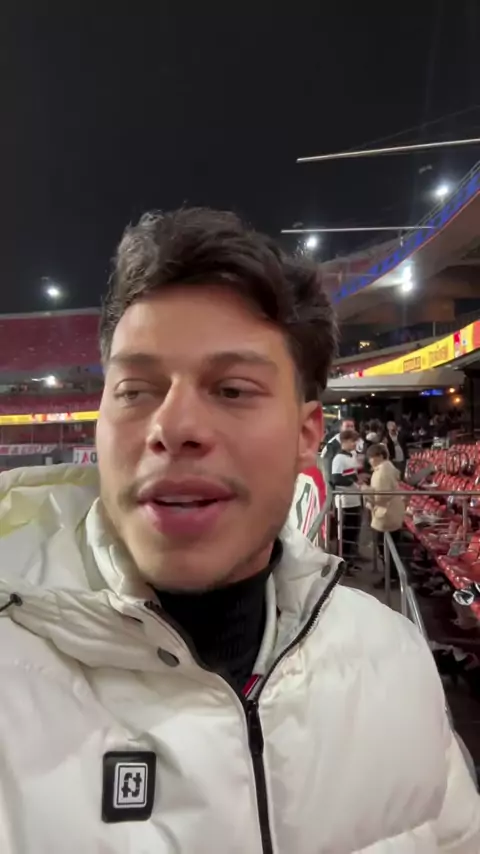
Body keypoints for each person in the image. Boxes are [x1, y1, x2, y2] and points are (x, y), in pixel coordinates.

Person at [0, 207, 479, 853]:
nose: (172, 427)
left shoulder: (395, 660)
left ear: (306, 435)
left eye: (231, 389)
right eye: (136, 389)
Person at [363, 443, 406, 587]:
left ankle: (391, 578)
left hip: (385, 514)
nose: (370, 461)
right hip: (392, 512)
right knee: (392, 548)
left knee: (386, 549)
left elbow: (381, 497)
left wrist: (365, 490)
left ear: (380, 456)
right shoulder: (388, 468)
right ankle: (392, 576)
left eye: (372, 457)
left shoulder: (382, 472)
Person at [330, 429, 362, 570]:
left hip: (355, 499)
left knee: (353, 532)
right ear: (344, 442)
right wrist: (353, 481)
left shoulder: (352, 455)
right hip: (344, 502)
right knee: (345, 534)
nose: (355, 444)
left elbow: (353, 473)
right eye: (352, 441)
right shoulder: (338, 459)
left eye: (355, 441)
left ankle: (350, 562)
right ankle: (342, 564)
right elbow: (336, 479)